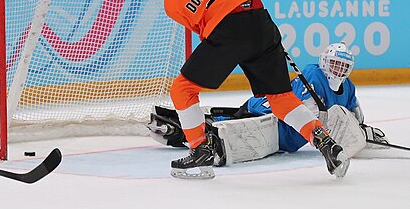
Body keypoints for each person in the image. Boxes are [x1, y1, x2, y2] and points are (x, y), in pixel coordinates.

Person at [144, 0, 349, 179]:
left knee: (183, 90)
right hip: (259, 19)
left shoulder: (171, 2)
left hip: (226, 32)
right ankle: (326, 143)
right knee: (281, 99)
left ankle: (200, 153)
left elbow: (204, 29)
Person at [149, 43, 390, 165]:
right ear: (325, 62)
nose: (339, 70)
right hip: (268, 114)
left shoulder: (348, 88)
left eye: (343, 66)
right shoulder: (313, 76)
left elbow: (353, 114)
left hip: (284, 138)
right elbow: (294, 110)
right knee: (231, 129)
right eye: (335, 64)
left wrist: (362, 130)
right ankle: (183, 130)